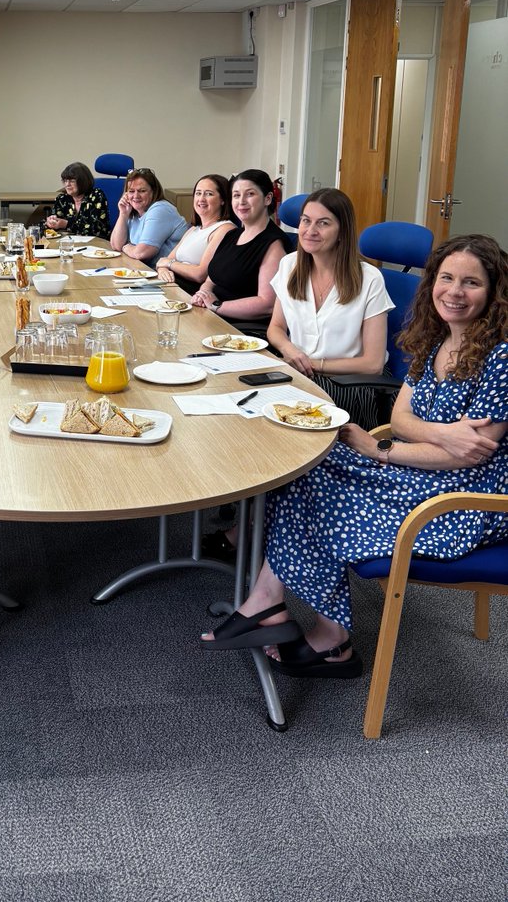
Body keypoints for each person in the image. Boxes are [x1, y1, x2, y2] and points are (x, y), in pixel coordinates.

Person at [199, 234, 508, 679]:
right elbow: (401, 417)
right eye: (446, 278)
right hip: (422, 469)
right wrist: (435, 434)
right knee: (307, 463)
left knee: (320, 490)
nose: (454, 292)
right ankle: (273, 606)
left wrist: (380, 449)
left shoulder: (501, 358)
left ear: (494, 292)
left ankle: (323, 635)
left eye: (471, 283)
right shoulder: (437, 338)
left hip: (464, 501)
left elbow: (468, 458)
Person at [267, 187, 394, 428]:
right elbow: (275, 327)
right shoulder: (289, 265)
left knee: (277, 416)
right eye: (306, 221)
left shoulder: (369, 278)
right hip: (300, 373)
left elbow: (373, 364)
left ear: (342, 232)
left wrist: (313, 364)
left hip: (349, 383)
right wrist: (290, 351)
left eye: (323, 223)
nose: (310, 231)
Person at [192, 168, 288, 332]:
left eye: (250, 194)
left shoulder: (274, 244)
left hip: (240, 330)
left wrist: (217, 306)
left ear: (267, 198)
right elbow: (211, 278)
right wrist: (203, 295)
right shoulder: (232, 235)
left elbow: (267, 304)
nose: (241, 201)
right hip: (210, 317)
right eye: (236, 195)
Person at [155, 174, 235, 294]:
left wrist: (169, 264)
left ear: (223, 200)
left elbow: (200, 274)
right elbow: (163, 261)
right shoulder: (193, 230)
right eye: (198, 193)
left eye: (209, 194)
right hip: (171, 285)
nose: (201, 199)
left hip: (190, 291)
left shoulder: (225, 229)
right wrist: (163, 270)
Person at [109, 167, 188, 267]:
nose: (136, 196)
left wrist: (125, 247)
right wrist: (123, 214)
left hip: (170, 275)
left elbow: (141, 253)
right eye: (131, 191)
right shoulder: (133, 210)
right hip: (146, 270)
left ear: (153, 191)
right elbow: (115, 245)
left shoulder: (160, 209)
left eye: (142, 191)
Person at [44, 162, 110, 240]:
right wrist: (50, 223)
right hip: (69, 244)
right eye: (65, 181)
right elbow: (46, 228)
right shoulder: (62, 199)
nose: (67, 184)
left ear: (83, 181)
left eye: (72, 181)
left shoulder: (96, 196)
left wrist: (66, 224)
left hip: (97, 244)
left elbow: (95, 229)